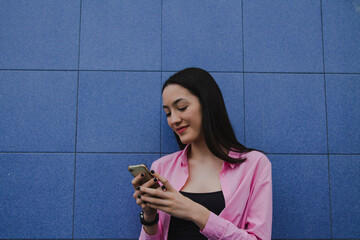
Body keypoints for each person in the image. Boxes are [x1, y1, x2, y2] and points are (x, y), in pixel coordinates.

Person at [131, 68, 272, 240]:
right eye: (168, 113)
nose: (173, 120)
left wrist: (195, 212)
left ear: (208, 104)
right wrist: (150, 218)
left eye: (182, 107)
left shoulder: (254, 164)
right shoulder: (161, 167)